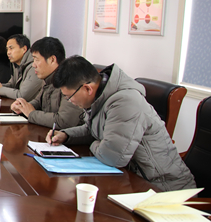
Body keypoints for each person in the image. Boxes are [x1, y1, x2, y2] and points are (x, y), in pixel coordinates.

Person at [46, 56, 195, 191]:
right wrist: (66, 135)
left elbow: (113, 157)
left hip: (165, 188)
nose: (70, 101)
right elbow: (93, 130)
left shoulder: (125, 101)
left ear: (87, 88)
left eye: (69, 96)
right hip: (134, 180)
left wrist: (96, 143)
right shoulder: (101, 97)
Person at [11, 37, 83, 129]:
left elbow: (65, 121)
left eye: (36, 59)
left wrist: (31, 114)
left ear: (52, 60)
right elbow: (38, 101)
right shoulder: (48, 78)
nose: (33, 65)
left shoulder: (70, 80)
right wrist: (22, 107)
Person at [0, 34, 42, 100]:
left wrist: (0, 89)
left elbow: (22, 95)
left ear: (24, 49)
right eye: (7, 49)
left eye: (11, 48)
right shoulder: (16, 63)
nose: (8, 52)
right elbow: (12, 85)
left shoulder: (34, 66)